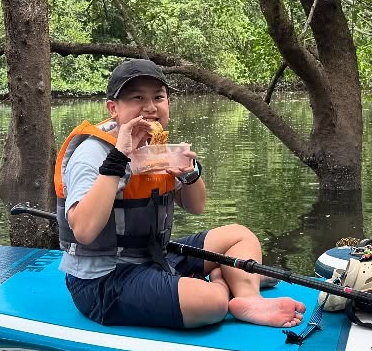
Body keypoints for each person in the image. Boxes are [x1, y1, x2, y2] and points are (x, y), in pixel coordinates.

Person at [55, 58, 304, 330]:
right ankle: (223, 284)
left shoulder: (156, 147)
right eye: (138, 98)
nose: (150, 107)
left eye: (158, 97)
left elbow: (196, 207)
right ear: (113, 108)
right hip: (103, 279)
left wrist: (189, 175)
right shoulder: (91, 154)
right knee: (211, 303)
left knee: (240, 235)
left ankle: (248, 297)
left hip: (154, 258)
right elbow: (84, 231)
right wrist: (119, 158)